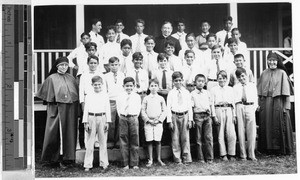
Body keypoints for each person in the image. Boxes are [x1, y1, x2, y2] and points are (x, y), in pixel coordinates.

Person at [36, 57, 78, 168]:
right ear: (57, 66)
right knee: (55, 133)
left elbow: (75, 95)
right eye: (61, 65)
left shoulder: (71, 78)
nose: (64, 67)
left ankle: (68, 158)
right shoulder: (51, 78)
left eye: (66, 65)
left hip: (70, 110)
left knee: (69, 133)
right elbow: (47, 97)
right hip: (57, 109)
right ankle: (53, 159)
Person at [257, 52, 294, 155]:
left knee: (278, 124)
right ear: (267, 61)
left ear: (277, 62)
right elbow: (260, 92)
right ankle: (267, 148)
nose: (272, 62)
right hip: (266, 102)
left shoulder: (282, 73)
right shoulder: (264, 73)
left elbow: (286, 93)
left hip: (278, 102)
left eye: (274, 60)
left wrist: (286, 107)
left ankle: (279, 149)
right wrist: (259, 104)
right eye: (270, 60)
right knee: (266, 124)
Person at [82, 75, 111, 171]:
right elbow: (86, 109)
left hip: (102, 117)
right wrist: (85, 122)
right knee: (90, 142)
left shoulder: (105, 95)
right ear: (92, 85)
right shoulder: (89, 95)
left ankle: (104, 162)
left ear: (102, 84)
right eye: (95, 85)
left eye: (99, 84)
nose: (97, 86)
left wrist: (108, 121)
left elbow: (108, 109)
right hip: (91, 117)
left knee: (103, 141)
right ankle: (88, 164)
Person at [167, 71, 193, 164]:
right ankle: (177, 158)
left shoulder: (186, 92)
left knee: (185, 138)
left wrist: (190, 120)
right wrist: (169, 121)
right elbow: (168, 107)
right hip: (174, 115)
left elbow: (189, 106)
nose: (178, 82)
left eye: (179, 80)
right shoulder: (171, 93)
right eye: (176, 81)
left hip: (185, 115)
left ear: (182, 80)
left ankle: (186, 158)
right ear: (173, 82)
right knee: (175, 138)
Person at [210, 70, 237, 161]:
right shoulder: (213, 90)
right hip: (218, 109)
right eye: (219, 78)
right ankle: (223, 154)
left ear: (226, 79)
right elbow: (212, 104)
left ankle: (231, 153)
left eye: (223, 78)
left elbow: (233, 102)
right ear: (217, 79)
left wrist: (234, 115)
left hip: (229, 109)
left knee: (231, 133)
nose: (221, 80)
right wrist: (214, 116)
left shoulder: (230, 89)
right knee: (220, 133)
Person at [116, 77, 142, 169]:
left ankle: (134, 163)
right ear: (123, 86)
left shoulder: (136, 96)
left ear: (134, 86)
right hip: (123, 118)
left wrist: (133, 116)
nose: (129, 88)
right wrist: (122, 116)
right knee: (123, 140)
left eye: (131, 86)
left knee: (134, 139)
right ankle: (125, 163)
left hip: (133, 117)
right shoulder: (120, 96)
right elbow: (118, 108)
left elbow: (138, 108)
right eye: (127, 86)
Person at [141, 78, 167, 167]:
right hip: (149, 122)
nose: (153, 88)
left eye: (155, 86)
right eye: (151, 86)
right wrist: (148, 120)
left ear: (158, 87)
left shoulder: (161, 98)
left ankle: (159, 158)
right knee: (149, 141)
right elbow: (143, 111)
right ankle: (150, 159)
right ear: (149, 87)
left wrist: (159, 120)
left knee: (158, 140)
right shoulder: (146, 98)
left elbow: (164, 111)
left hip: (158, 122)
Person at [233, 67, 257, 161]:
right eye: (239, 77)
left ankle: (251, 153)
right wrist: (235, 114)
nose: (241, 78)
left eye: (243, 76)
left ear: (246, 75)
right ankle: (243, 154)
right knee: (241, 130)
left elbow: (255, 99)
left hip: (250, 106)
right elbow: (234, 101)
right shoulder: (235, 87)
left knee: (251, 131)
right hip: (240, 106)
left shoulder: (252, 85)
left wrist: (253, 109)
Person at [191, 74, 214, 163]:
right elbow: (192, 107)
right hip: (197, 116)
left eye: (202, 81)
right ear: (195, 83)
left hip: (207, 116)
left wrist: (211, 115)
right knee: (198, 138)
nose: (200, 83)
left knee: (208, 137)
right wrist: (192, 118)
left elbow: (211, 105)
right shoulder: (192, 94)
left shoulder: (207, 93)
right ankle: (200, 158)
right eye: (198, 81)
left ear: (205, 83)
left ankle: (209, 157)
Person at [105, 57, 125, 147]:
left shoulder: (122, 75)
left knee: (120, 121)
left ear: (119, 65)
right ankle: (110, 140)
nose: (114, 67)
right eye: (112, 65)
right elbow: (105, 90)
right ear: (109, 66)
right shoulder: (106, 76)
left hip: (120, 100)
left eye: (116, 65)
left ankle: (118, 140)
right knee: (111, 121)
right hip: (110, 101)